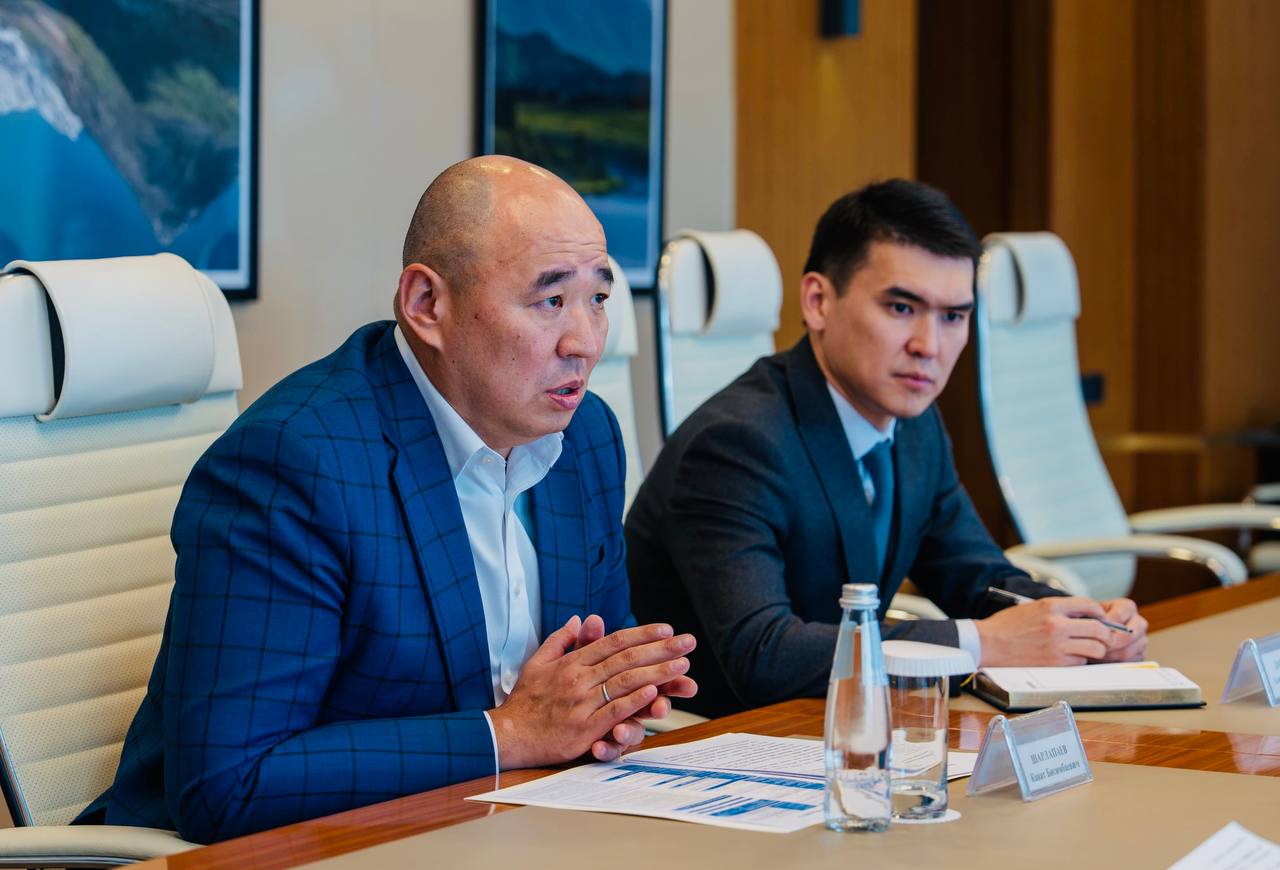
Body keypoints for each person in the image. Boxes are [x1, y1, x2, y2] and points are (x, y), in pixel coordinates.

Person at [77, 156, 696, 842]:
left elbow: (590, 676)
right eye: (550, 301)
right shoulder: (294, 463)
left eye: (599, 299)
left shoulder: (586, 439)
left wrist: (611, 704)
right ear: (427, 304)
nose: (584, 342)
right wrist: (513, 734)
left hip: (498, 831)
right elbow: (229, 784)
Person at [626, 179, 1147, 718]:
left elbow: (973, 575)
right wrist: (983, 643)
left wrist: (1081, 624)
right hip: (721, 740)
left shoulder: (915, 426)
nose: (929, 346)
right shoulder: (737, 444)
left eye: (954, 316)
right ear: (818, 302)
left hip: (848, 726)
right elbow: (764, 654)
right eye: (901, 307)